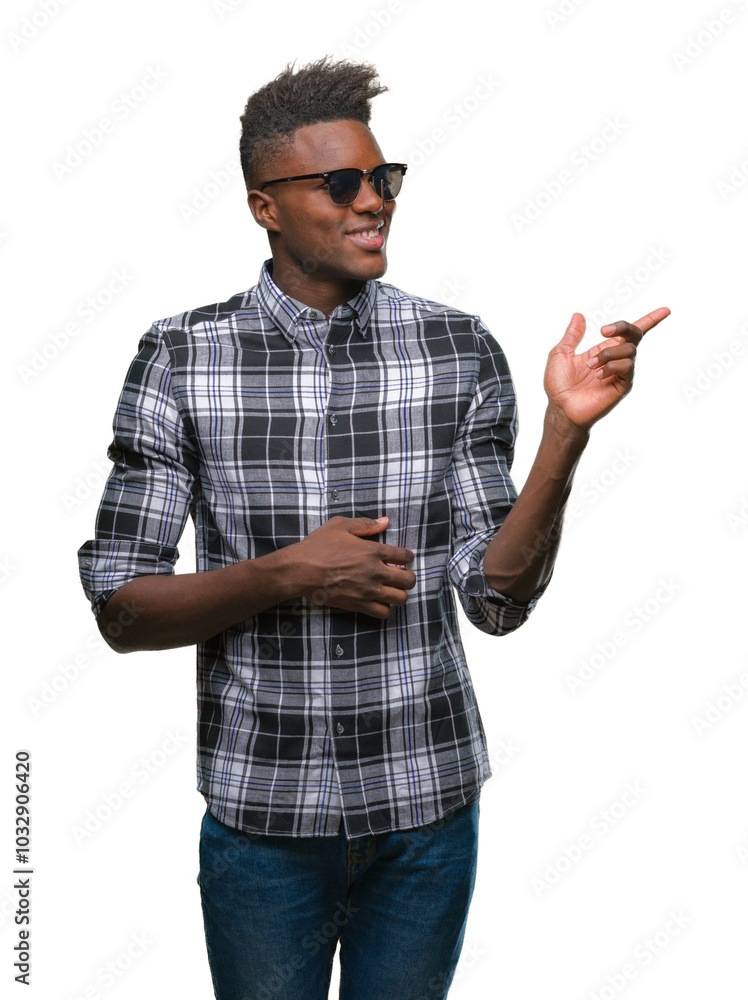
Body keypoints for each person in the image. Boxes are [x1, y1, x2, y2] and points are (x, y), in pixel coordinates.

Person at [77, 55, 670, 1000]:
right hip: (262, 823)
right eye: (341, 183)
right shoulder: (181, 356)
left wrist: (564, 435)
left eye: (383, 178)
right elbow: (120, 606)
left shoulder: (457, 348)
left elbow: (495, 598)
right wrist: (291, 574)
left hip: (427, 814)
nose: (374, 201)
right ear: (264, 207)